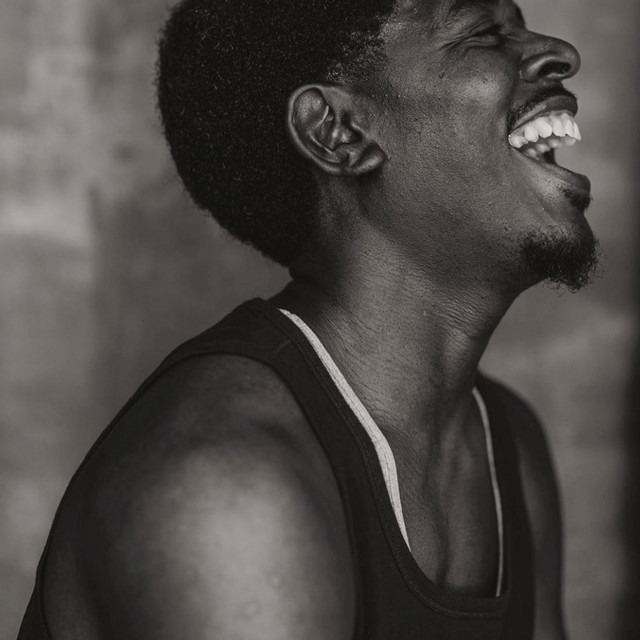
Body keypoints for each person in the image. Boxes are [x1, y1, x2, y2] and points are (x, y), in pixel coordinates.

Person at [18, 0, 600, 638]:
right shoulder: (229, 489)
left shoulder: (504, 443)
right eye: (483, 33)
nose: (560, 53)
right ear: (339, 132)